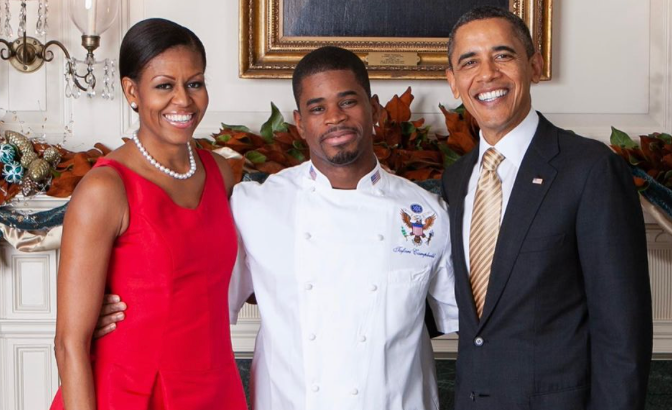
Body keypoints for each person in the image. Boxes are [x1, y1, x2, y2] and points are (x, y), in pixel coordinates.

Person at [98, 45, 459, 409]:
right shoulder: (255, 206)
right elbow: (195, 293)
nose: (334, 118)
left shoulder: (427, 214)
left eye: (348, 102)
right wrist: (114, 308)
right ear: (300, 123)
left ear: (375, 109)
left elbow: (468, 323)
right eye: (317, 108)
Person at [440, 6, 653, 409]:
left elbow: (622, 334)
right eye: (469, 62)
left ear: (534, 65)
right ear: (453, 82)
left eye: (503, 56)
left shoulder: (590, 169)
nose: (487, 74)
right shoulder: (456, 180)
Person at [50, 18, 247, 410]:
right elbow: (69, 343)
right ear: (131, 91)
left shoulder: (220, 173)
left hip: (216, 390)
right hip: (130, 393)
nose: (184, 101)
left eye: (194, 83)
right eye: (164, 86)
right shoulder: (105, 190)